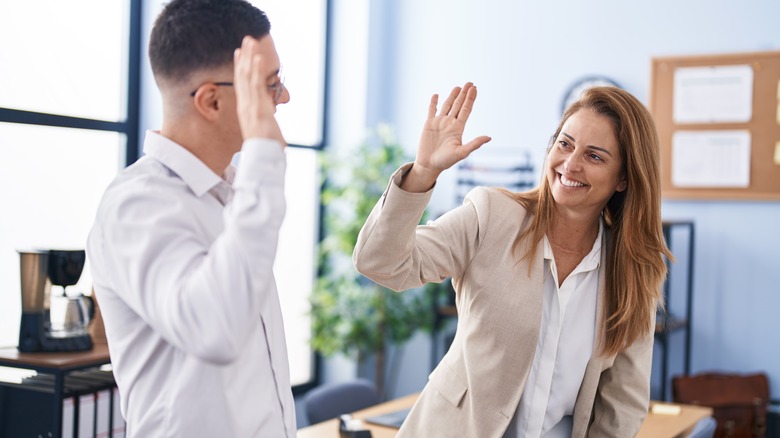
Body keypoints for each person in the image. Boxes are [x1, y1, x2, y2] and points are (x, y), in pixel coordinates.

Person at [353, 83, 671, 437]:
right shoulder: (492, 216)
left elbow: (623, 400)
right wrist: (423, 173)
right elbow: (380, 262)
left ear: (624, 178)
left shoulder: (633, 270)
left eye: (594, 156)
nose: (570, 164)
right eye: (565, 144)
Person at [86, 0, 295, 436]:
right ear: (212, 101)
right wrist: (264, 157)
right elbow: (216, 327)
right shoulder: (136, 206)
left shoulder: (230, 193)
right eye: (270, 85)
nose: (284, 98)